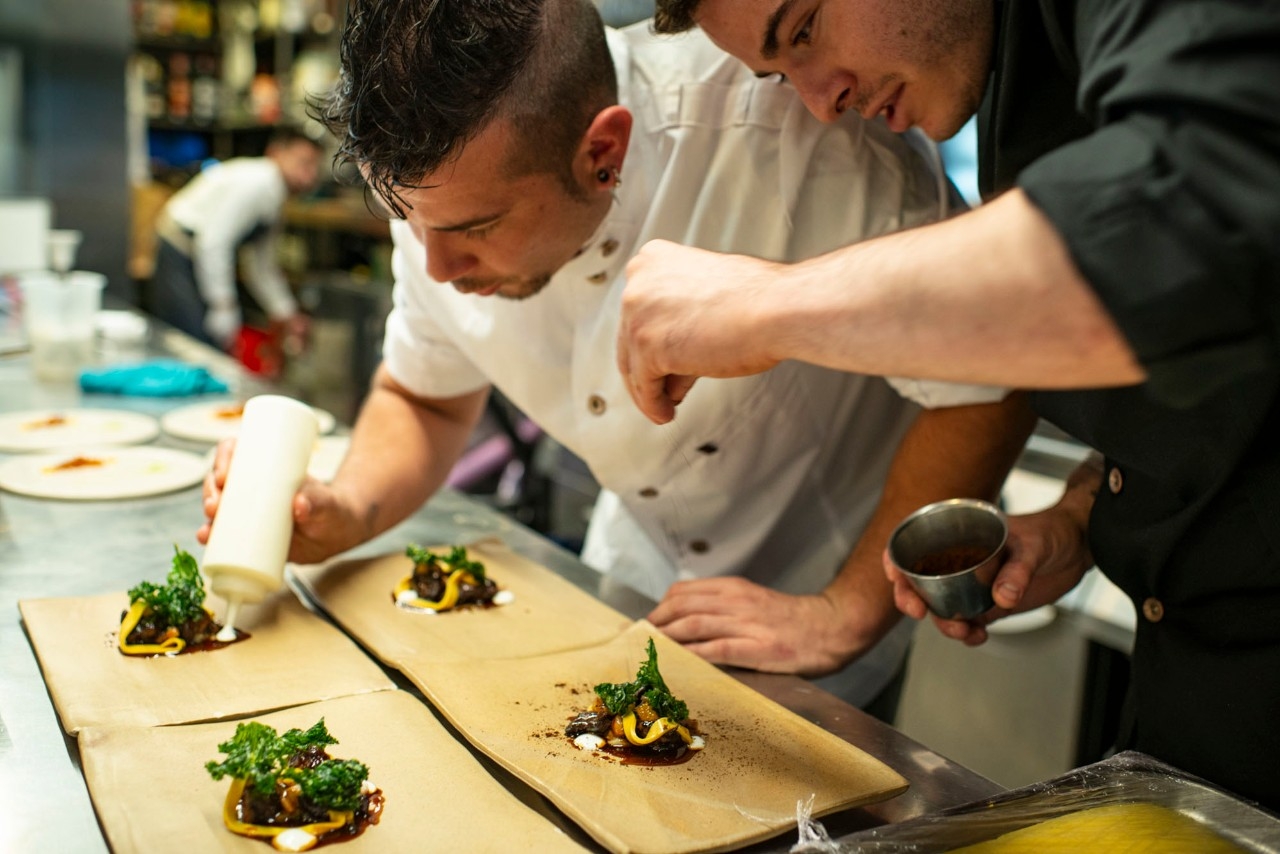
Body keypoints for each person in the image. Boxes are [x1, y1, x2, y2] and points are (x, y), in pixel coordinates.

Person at [200, 0, 1034, 714]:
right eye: (410, 224)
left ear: (604, 153)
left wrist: (843, 613)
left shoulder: (815, 145)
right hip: (630, 582)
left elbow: (983, 384)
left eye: (474, 231)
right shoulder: (441, 196)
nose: (437, 268)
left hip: (820, 605)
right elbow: (427, 398)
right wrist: (347, 506)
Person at [616, 0, 1280, 809]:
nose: (821, 100)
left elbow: (1187, 228)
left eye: (803, 31)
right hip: (1193, 711)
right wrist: (1084, 513)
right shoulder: (999, 57)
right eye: (780, 72)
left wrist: (766, 307)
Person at [150, 127, 322, 354]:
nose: (308, 175)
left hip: (201, 256)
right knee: (192, 344)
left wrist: (286, 312)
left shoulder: (277, 196)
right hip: (179, 251)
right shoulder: (258, 182)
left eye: (314, 167)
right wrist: (223, 306)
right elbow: (213, 243)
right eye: (303, 162)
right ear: (276, 153)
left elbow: (261, 263)